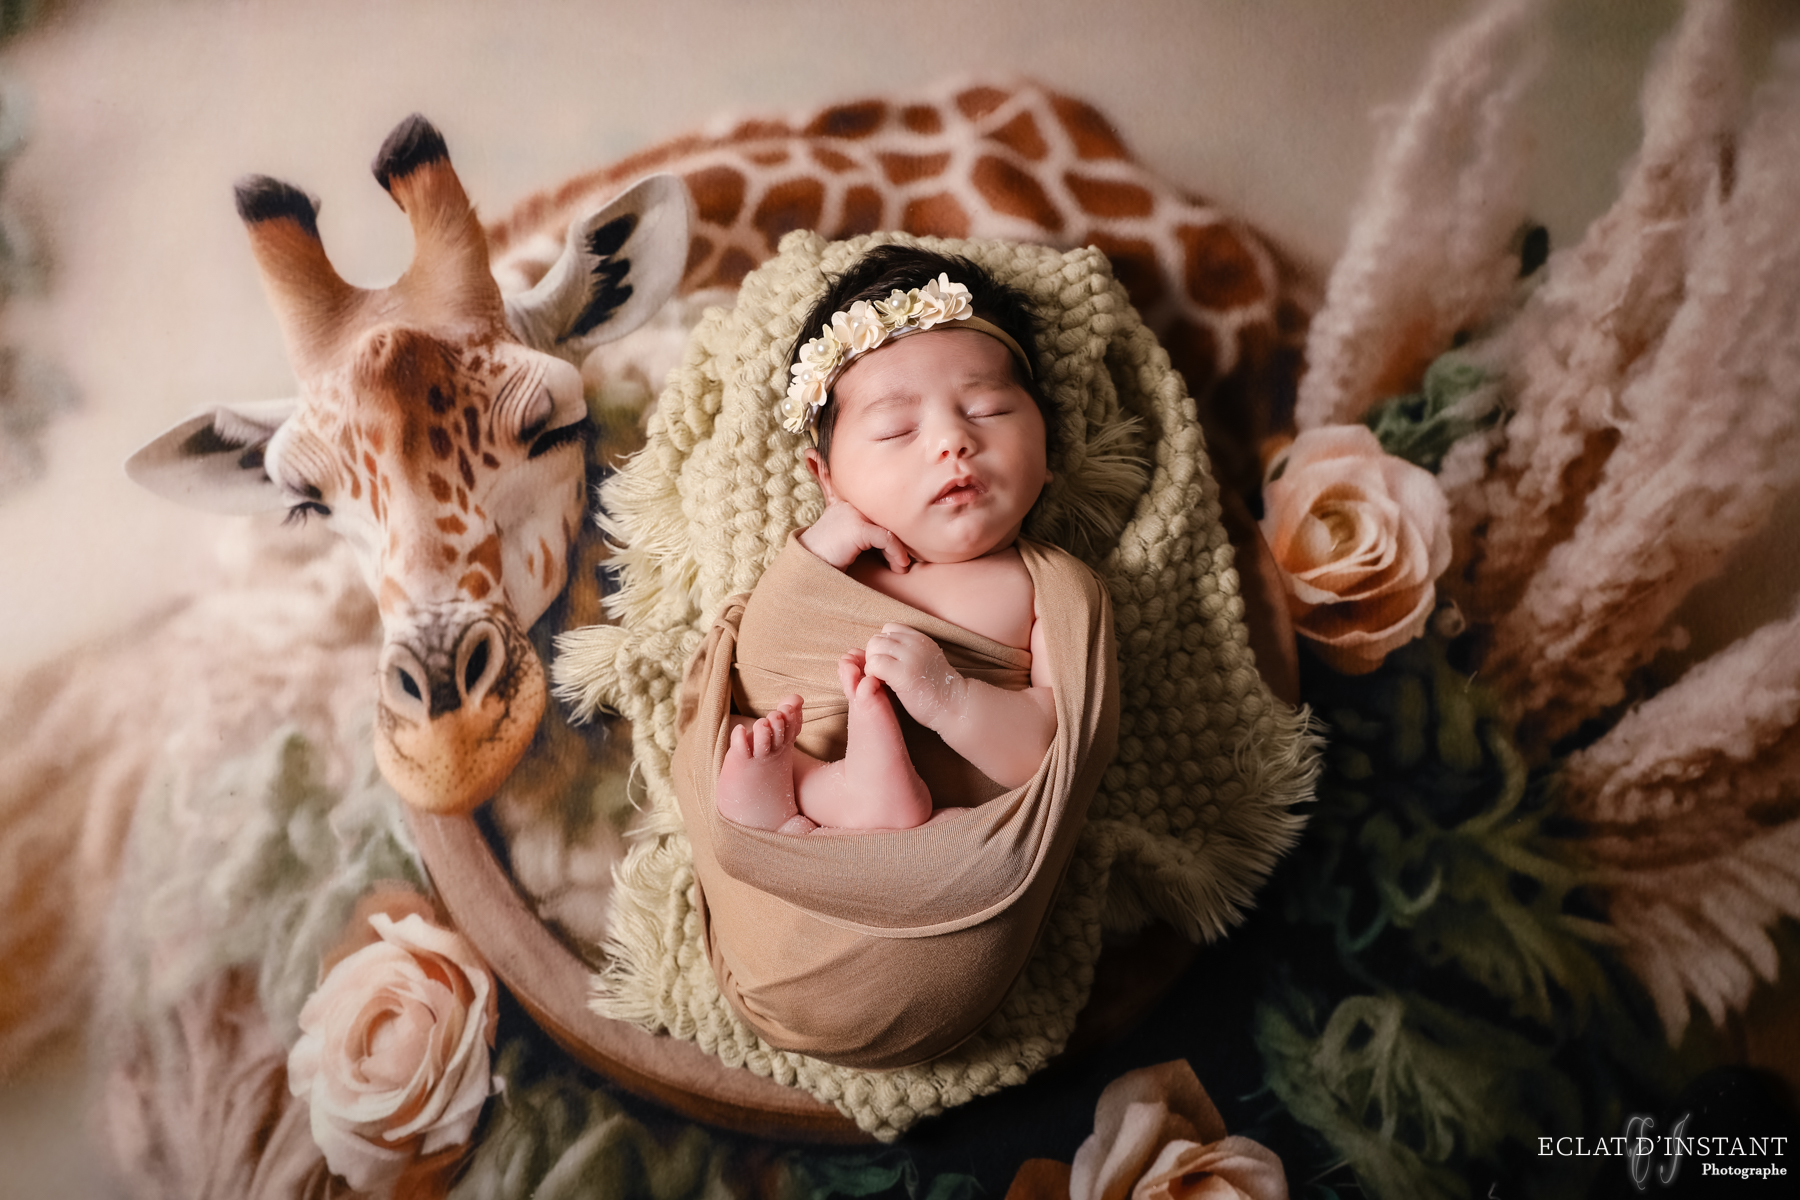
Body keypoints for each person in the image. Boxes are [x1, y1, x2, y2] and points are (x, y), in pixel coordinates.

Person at [715, 245, 1063, 833]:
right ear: (826, 480)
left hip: (953, 844)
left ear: (1049, 448)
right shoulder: (827, 570)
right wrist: (813, 556)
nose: (951, 440)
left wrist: (952, 699)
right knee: (745, 743)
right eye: (896, 429)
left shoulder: (1044, 591)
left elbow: (1050, 750)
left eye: (987, 410)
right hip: (808, 802)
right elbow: (759, 669)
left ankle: (841, 808)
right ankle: (796, 804)